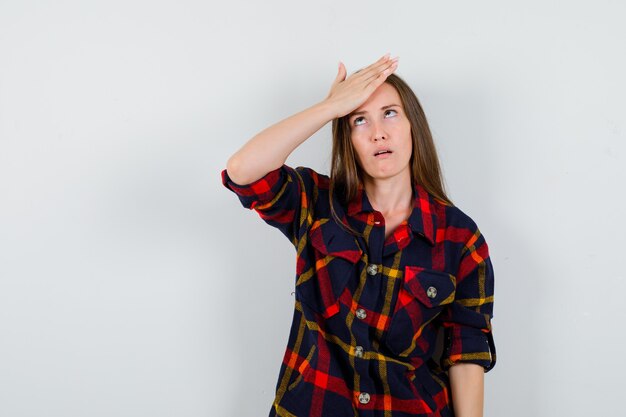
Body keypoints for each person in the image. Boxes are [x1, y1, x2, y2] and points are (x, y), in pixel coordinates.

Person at [220, 53, 497, 417]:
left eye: (390, 113)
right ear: (347, 137)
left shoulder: (460, 237)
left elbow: (466, 355)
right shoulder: (317, 203)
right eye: (359, 120)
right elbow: (243, 172)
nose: (378, 132)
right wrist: (330, 107)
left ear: (414, 124)